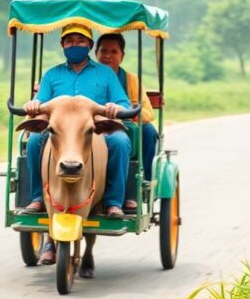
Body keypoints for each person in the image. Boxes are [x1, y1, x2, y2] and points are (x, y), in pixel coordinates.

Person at [22, 24, 133, 221]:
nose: (75, 45)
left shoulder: (106, 73)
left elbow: (123, 102)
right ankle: (38, 197)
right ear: (62, 45)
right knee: (33, 141)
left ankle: (113, 202)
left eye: (80, 41)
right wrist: (34, 105)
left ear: (89, 45)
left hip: (94, 128)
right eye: (70, 41)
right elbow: (41, 101)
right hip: (60, 129)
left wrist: (115, 108)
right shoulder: (52, 74)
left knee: (120, 141)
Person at [95, 33, 159, 211]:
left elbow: (148, 112)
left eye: (114, 51)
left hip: (123, 126)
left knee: (147, 131)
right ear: (95, 53)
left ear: (122, 56)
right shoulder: (88, 76)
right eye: (104, 51)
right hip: (92, 125)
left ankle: (138, 185)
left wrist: (128, 112)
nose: (108, 55)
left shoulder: (131, 80)